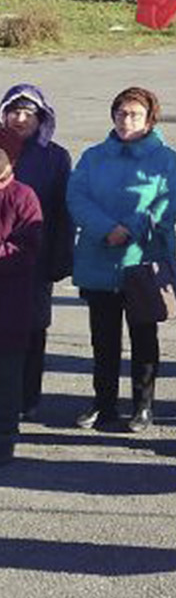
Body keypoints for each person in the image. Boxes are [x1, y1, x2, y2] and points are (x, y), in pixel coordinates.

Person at [67, 87, 176, 432]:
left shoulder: (165, 158)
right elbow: (77, 196)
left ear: (149, 120)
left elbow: (167, 203)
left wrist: (130, 229)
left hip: (143, 259)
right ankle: (103, 404)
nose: (125, 120)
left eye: (134, 114)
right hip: (99, 257)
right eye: (120, 113)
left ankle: (143, 406)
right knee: (103, 340)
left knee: (143, 338)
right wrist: (105, 229)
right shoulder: (93, 156)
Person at [2, 84, 74, 423]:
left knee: (31, 329)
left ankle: (27, 397)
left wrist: (61, 258)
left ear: (41, 117)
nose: (19, 119)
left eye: (27, 113)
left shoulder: (54, 157)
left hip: (35, 257)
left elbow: (62, 211)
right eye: (13, 111)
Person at [0, 146, 45, 466]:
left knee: (7, 375)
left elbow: (27, 248)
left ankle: (5, 436)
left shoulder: (22, 196)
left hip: (10, 302)